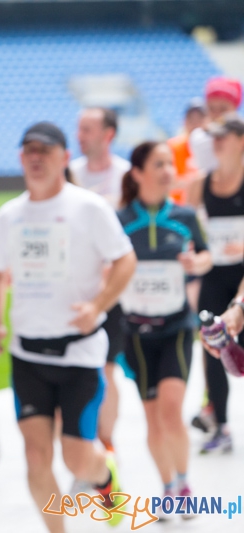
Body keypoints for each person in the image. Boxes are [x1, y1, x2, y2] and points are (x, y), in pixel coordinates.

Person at [0, 122, 137, 533]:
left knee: (75, 458)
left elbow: (125, 260)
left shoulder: (88, 207)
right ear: (20, 158)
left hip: (79, 352)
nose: (36, 157)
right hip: (28, 354)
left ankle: (104, 476)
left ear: (65, 158)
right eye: (29, 150)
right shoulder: (11, 215)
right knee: (36, 456)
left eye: (45, 151)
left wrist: (98, 305)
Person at [117, 141, 212, 518]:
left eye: (169, 163)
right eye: (158, 164)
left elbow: (205, 256)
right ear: (138, 173)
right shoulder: (120, 218)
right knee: (153, 416)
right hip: (136, 334)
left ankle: (185, 484)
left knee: (171, 410)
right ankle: (167, 486)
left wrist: (196, 261)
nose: (167, 170)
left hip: (175, 326)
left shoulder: (185, 216)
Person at [69, 107, 131, 456]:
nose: (81, 135)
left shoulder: (127, 177)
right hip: (74, 287)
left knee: (106, 368)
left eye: (88, 129)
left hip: (112, 291)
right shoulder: (70, 173)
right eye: (79, 129)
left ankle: (106, 441)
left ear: (108, 134)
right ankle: (82, 442)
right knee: (76, 369)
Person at [185, 114, 244, 453]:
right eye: (214, 136)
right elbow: (183, 227)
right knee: (215, 352)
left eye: (225, 136)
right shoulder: (200, 184)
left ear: (241, 141)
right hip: (214, 276)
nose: (217, 141)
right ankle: (220, 425)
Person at [189, 77, 242, 175]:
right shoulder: (198, 138)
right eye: (211, 108)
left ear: (235, 108)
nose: (217, 114)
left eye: (223, 108)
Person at [168, 98, 206, 205]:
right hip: (176, 208)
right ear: (184, 121)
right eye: (191, 119)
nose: (195, 124)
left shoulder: (213, 148)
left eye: (199, 119)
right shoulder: (172, 147)